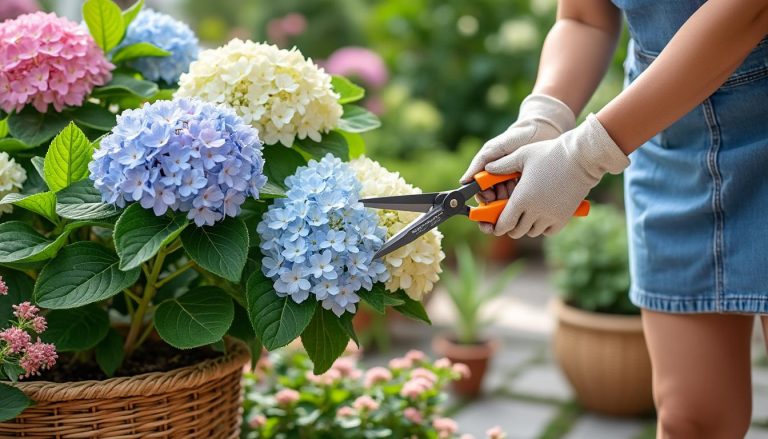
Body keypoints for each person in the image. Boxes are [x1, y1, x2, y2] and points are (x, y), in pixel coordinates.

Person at [462, 1, 768, 437]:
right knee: (691, 421)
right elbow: (584, 17)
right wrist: (544, 115)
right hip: (665, 134)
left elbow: (748, 11)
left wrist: (584, 155)